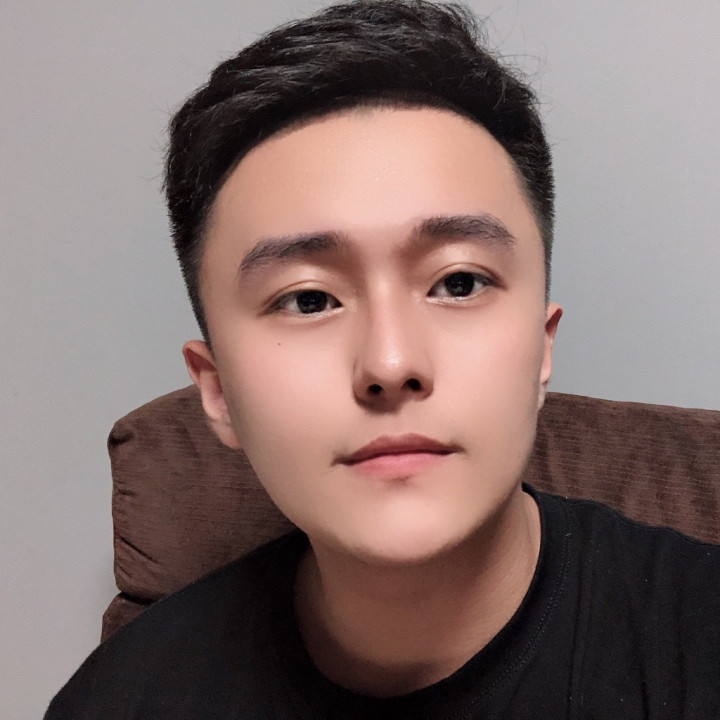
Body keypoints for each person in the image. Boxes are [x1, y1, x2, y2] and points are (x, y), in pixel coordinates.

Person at [45, 1, 720, 718]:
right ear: (217, 392)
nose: (391, 363)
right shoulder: (119, 700)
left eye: (458, 283)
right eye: (308, 299)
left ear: (542, 344)